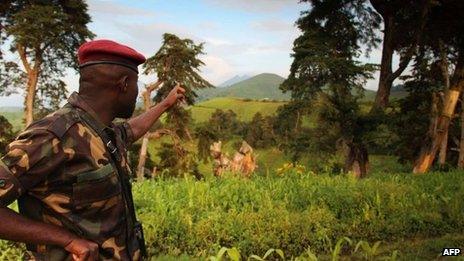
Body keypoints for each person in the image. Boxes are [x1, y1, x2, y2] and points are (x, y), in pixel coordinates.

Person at [0, 39, 185, 260]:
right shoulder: (53, 135)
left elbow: (131, 130)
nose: (137, 93)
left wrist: (165, 104)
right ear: (124, 84)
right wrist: (67, 240)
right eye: (136, 83)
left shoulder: (101, 130)